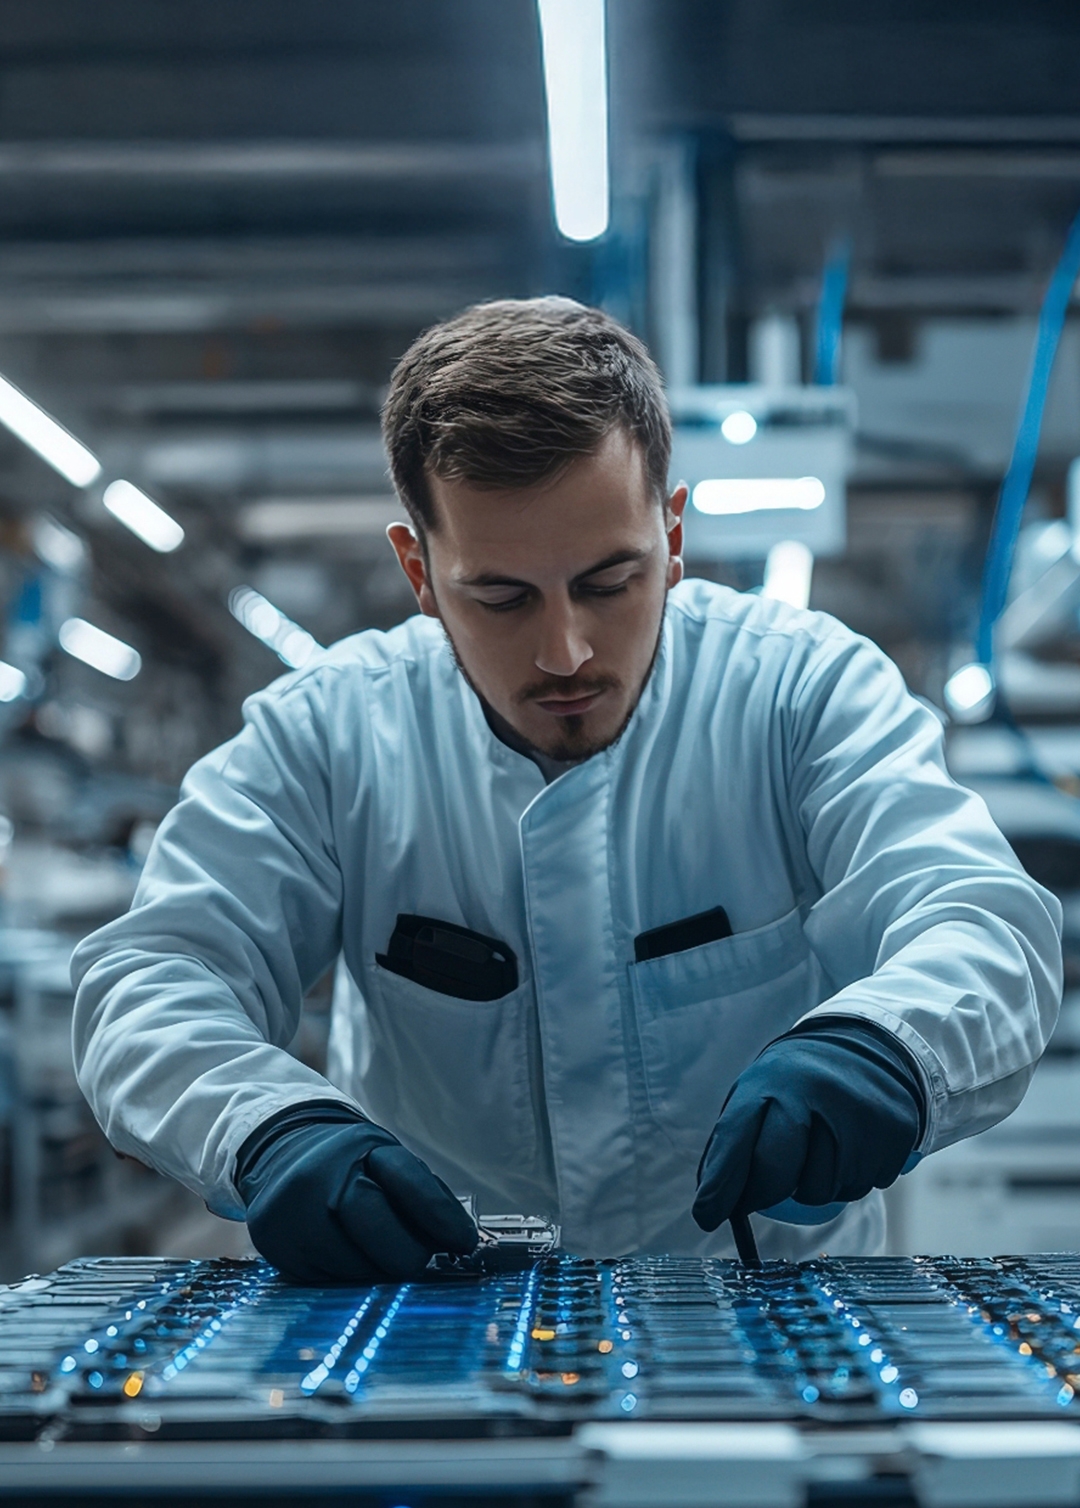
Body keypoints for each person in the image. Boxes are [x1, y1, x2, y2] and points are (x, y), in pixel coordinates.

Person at [72, 298, 1062, 1282]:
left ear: (672, 537)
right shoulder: (329, 736)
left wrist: (880, 1049)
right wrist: (266, 1126)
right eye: (500, 596)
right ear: (418, 569)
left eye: (608, 582)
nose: (565, 651)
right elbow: (152, 981)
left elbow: (976, 918)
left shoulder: (800, 694)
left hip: (765, 1312)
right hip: (436, 1319)